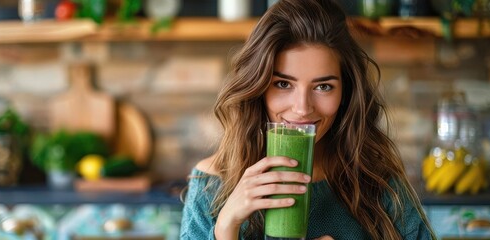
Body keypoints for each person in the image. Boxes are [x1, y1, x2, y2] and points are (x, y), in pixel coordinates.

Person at [179, 0, 436, 239]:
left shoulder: (377, 182)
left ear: (345, 93)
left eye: (323, 87)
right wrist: (226, 226)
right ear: (257, 88)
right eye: (282, 83)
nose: (302, 108)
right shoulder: (211, 185)